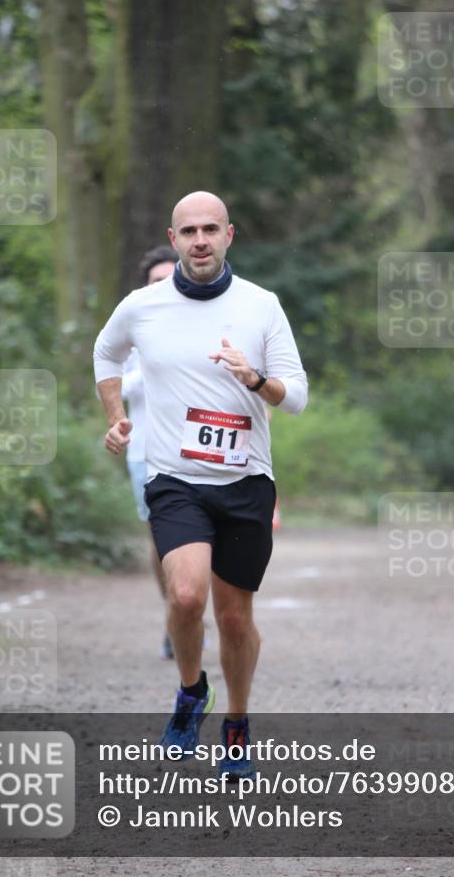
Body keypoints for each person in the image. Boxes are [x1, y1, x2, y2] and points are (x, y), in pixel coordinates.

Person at [93, 191, 307, 780]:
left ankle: (236, 724)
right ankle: (191, 692)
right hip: (176, 478)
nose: (200, 240)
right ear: (175, 236)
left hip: (245, 483)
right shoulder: (142, 305)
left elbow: (298, 396)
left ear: (230, 235)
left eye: (211, 229)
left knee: (235, 618)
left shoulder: (261, 306)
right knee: (186, 597)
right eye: (189, 231)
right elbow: (105, 353)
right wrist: (116, 416)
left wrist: (256, 379)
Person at [122, 245, 178, 659]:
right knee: (160, 539)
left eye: (169, 279)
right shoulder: (129, 327)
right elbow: (117, 386)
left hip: (196, 450)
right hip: (145, 450)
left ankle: (187, 608)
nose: (162, 287)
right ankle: (174, 615)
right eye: (155, 280)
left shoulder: (205, 324)